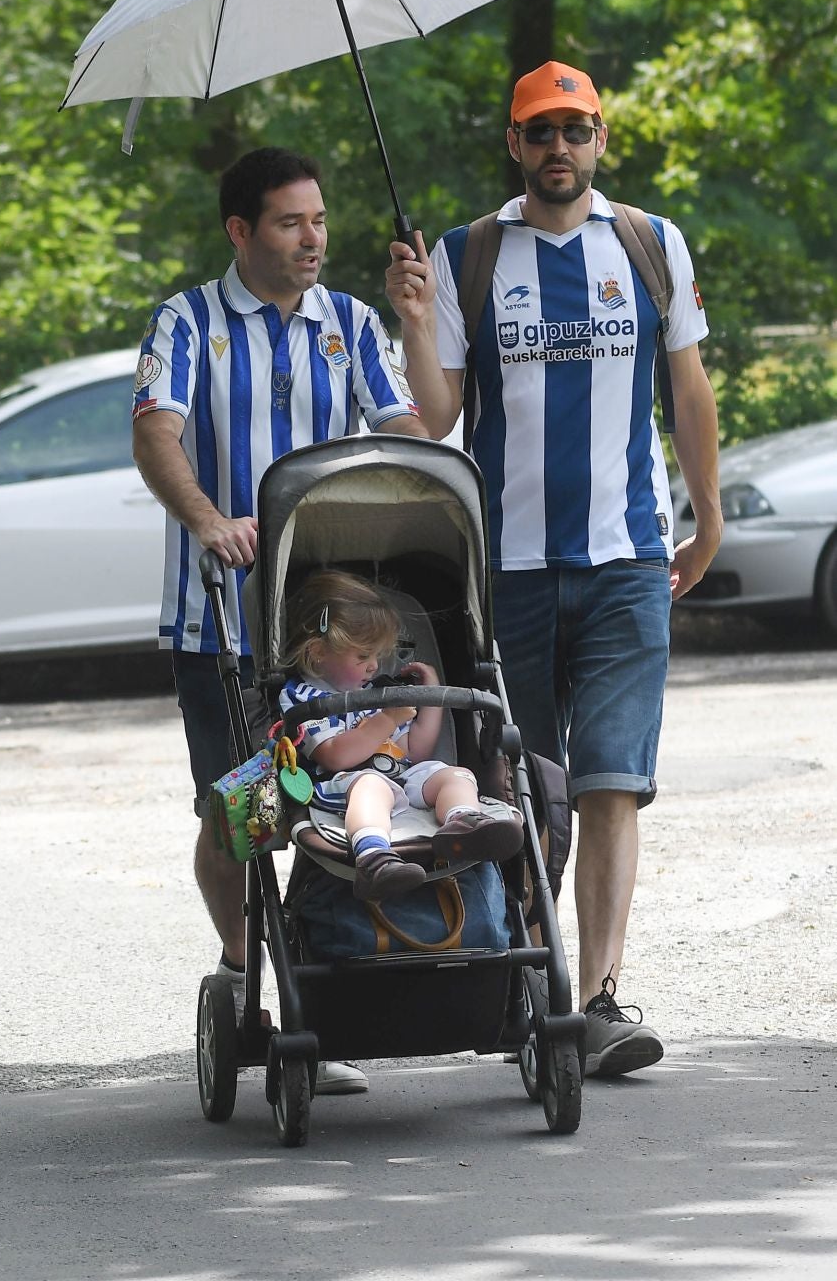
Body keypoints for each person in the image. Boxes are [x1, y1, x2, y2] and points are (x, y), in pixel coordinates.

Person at [385, 61, 722, 1078]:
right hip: (509, 571)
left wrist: (705, 520)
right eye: (541, 132)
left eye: (576, 130)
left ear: (601, 139)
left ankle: (603, 997)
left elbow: (690, 388)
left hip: (627, 561)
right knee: (526, 785)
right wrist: (412, 318)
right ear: (515, 145)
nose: (559, 148)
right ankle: (534, 987)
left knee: (615, 780)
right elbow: (438, 418)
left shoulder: (650, 244)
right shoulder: (467, 255)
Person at [133, 145, 429, 1097]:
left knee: (330, 803)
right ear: (241, 231)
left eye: (321, 220)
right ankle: (240, 971)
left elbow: (412, 434)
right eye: (292, 222)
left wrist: (417, 322)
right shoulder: (186, 321)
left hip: (335, 631)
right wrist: (210, 521)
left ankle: (315, 999)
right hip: (220, 629)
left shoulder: (348, 322)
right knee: (243, 816)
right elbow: (155, 432)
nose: (314, 238)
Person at [278, 569, 523, 899]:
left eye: (377, 656)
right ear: (318, 652)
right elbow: (335, 754)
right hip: (343, 784)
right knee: (371, 785)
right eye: (363, 656)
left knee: (455, 774)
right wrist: (387, 719)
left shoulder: (374, 692)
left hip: (401, 776)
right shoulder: (305, 697)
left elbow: (416, 751)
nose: (374, 666)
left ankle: (463, 822)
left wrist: (431, 696)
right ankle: (374, 857)